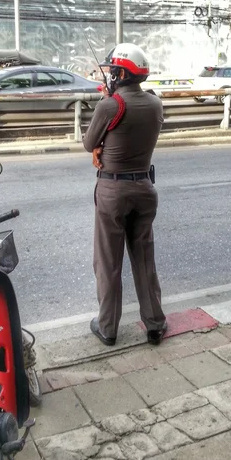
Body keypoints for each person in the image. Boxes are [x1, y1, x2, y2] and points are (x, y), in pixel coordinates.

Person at [83, 43, 167, 347]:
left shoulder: (109, 106)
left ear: (120, 73)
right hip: (144, 187)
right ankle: (155, 324)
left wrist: (99, 143)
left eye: (113, 71)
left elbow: (88, 141)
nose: (111, 75)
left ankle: (107, 327)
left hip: (112, 190)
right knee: (144, 259)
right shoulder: (155, 104)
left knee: (108, 263)